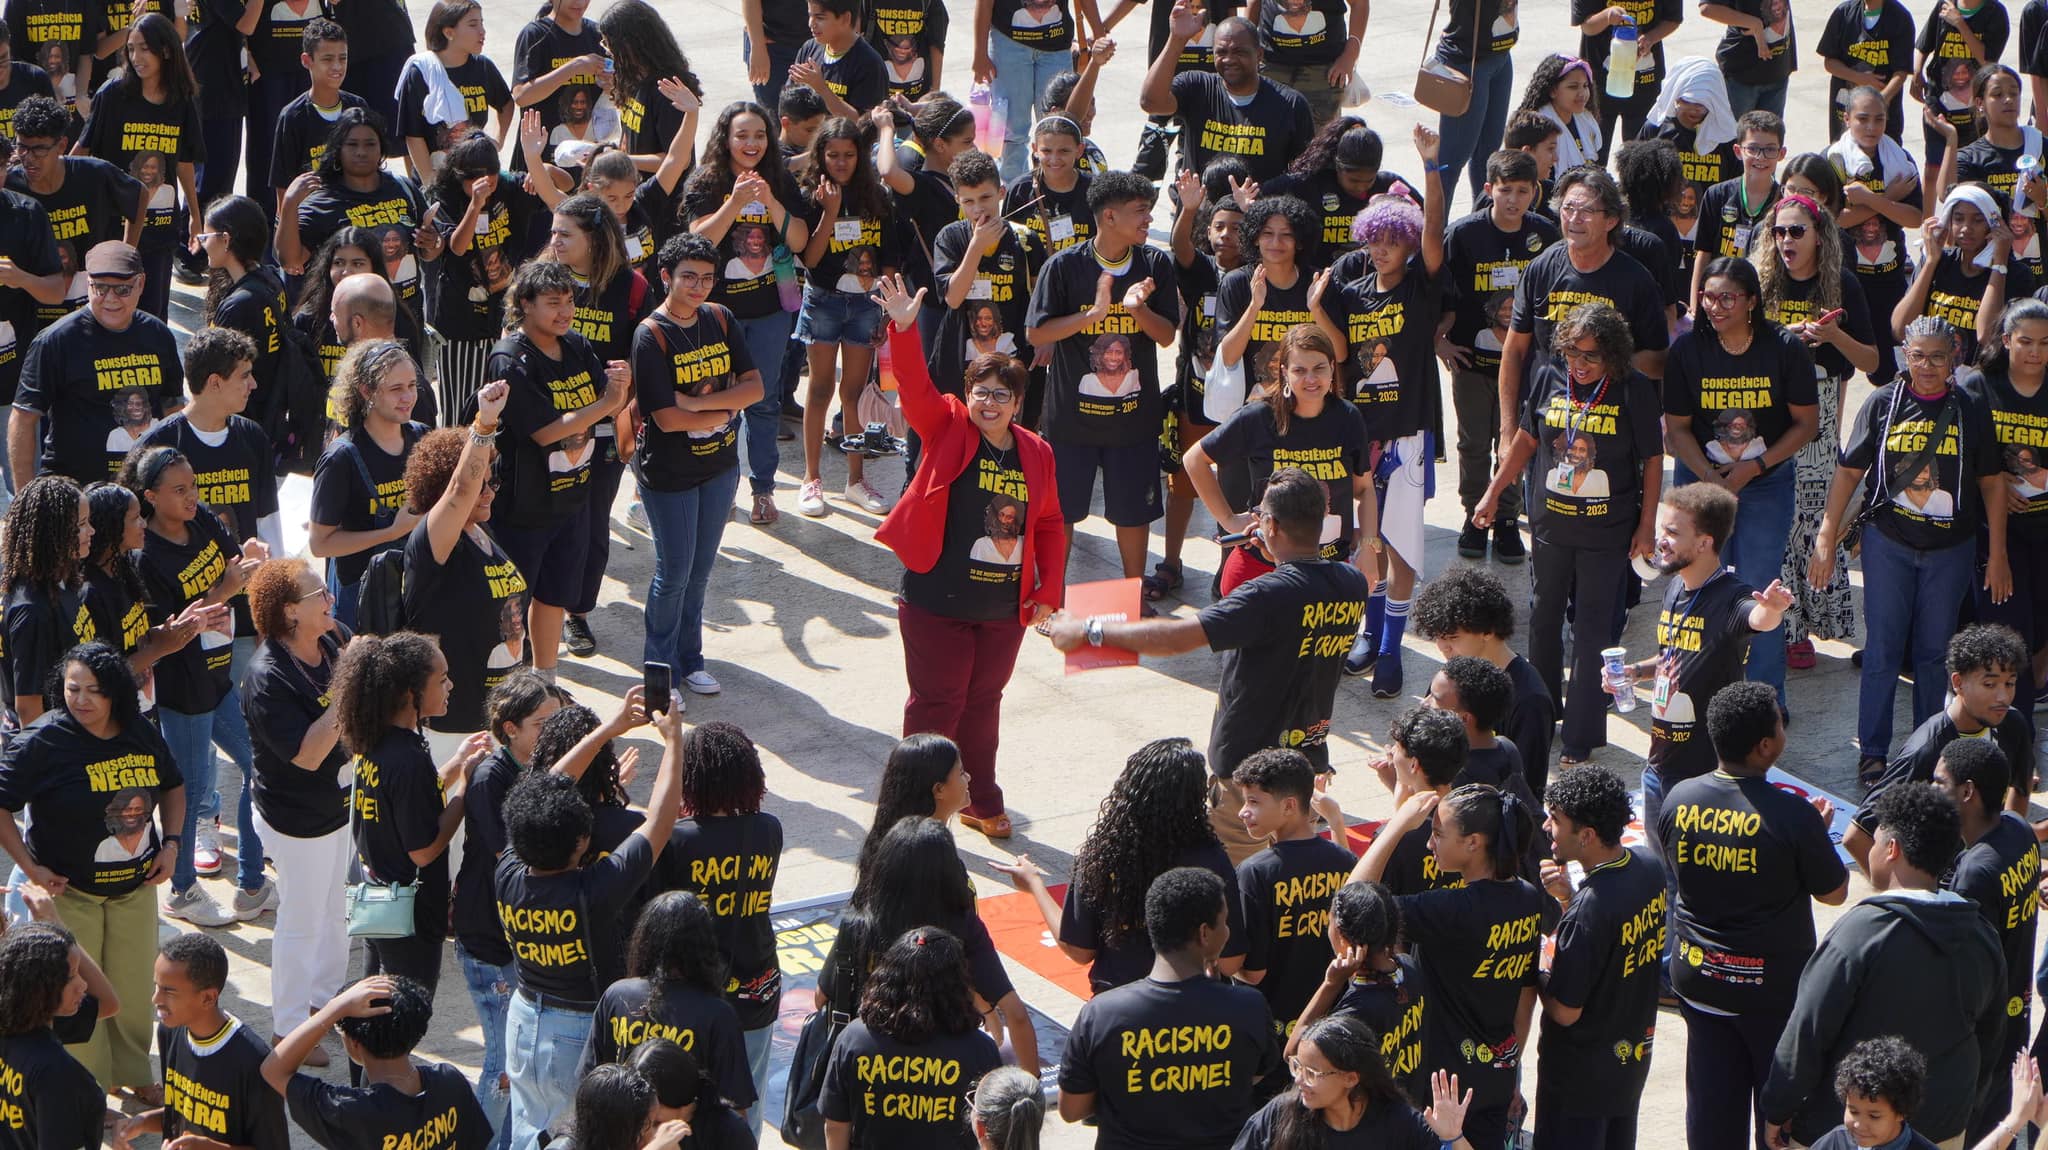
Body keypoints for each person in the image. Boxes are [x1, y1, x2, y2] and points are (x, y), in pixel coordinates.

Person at [1045, 468, 1373, 862]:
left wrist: (1089, 631)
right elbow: (1302, 595)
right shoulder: (1352, 583)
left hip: (1250, 776)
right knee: (1289, 874)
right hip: (1307, 764)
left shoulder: (1264, 597)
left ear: (1270, 524)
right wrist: (1276, 553)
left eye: (1260, 515)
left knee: (1235, 880)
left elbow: (1178, 637)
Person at [1810, 315, 2009, 781]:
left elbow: (1991, 482)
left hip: (1950, 548)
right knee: (1882, 649)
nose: (1927, 366)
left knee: (1933, 654)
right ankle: (1873, 751)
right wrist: (1826, 533)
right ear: (1905, 356)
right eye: (1918, 356)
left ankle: (1927, 749)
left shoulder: (1970, 407)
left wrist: (1997, 553)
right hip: (1889, 544)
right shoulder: (1883, 402)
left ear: (1954, 357)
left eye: (1937, 357)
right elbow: (1849, 471)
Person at [1659, 680, 1850, 1150]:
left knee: (1710, 1113)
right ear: (1765, 746)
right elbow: (1834, 893)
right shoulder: (1794, 815)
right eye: (1780, 724)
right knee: (1776, 1119)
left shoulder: (1678, 798)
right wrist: (1814, 835)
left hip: (1699, 981)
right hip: (1769, 993)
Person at [1761, 783, 2005, 1148]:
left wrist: (1778, 1106)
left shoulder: (1858, 935)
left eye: (1875, 841)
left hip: (1852, 1134)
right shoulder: (1982, 935)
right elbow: (1991, 1038)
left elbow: (1808, 1033)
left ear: (1892, 849)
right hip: (1945, 1127)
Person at [1473, 303, 1663, 767]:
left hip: (1607, 531)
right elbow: (1526, 440)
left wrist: (1646, 526)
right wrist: (1493, 492)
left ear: (1612, 353)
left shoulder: (1633, 388)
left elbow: (1653, 460)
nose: (1579, 364)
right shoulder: (1548, 377)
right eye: (1572, 353)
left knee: (1593, 629)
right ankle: (1537, 715)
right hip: (1550, 525)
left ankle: (1581, 734)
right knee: (1542, 619)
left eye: (1591, 356)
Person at [497, 689, 684, 1150]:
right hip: (577, 1032)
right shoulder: (592, 891)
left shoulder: (509, 870)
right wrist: (674, 741)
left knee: (528, 1133)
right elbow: (660, 822)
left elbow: (539, 792)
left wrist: (610, 728)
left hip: (523, 1019)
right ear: (581, 844)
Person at [0, 642, 177, 1091]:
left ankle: (134, 1075)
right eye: (72, 688)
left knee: (134, 991)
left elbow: (174, 784)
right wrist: (30, 867)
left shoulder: (139, 731)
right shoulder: (42, 740)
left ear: (115, 691)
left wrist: (173, 844)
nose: (80, 699)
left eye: (93, 690)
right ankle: (87, 1087)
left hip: (135, 889)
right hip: (69, 895)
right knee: (74, 994)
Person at [122, 444, 272, 927]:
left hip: (219, 676)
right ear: (150, 497)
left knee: (261, 766)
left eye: (194, 487)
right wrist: (223, 590)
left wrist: (250, 562)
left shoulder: (201, 518)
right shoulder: (146, 556)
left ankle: (252, 884)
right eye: (179, 490)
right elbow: (170, 632)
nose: (192, 497)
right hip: (183, 690)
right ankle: (182, 889)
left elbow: (235, 562)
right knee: (186, 793)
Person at [1350, 784, 1546, 1150]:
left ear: (1473, 843)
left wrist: (1397, 826)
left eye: (1438, 834)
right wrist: (1510, 1065)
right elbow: (1526, 993)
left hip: (1445, 1091)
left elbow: (1351, 902)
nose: (1429, 844)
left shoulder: (1452, 910)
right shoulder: (1527, 896)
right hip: (1497, 1074)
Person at [1325, 130, 1449, 698]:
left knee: (1401, 545)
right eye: (1375, 240)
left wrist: (1431, 166)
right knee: (1367, 543)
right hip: (1362, 435)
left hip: (1408, 435)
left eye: (1393, 242)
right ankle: (1371, 635)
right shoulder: (1352, 292)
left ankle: (1393, 649)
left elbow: (1434, 233)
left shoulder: (1420, 288)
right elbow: (1340, 355)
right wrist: (1316, 309)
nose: (1381, 250)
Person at [1663, 257, 1815, 700]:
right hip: (1700, 481)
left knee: (1760, 587)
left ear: (1751, 301)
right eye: (1708, 297)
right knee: (1699, 582)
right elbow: (1677, 429)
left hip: (1766, 480)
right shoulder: (1687, 350)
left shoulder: (1784, 347)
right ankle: (1701, 691)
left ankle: (1764, 699)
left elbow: (1806, 424)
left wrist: (1755, 467)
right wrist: (1710, 478)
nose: (1715, 306)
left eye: (1727, 298)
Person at [1024, 169, 1179, 583]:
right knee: (1061, 513)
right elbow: (1037, 333)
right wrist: (1092, 315)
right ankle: (1052, 595)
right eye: (1140, 211)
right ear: (1109, 216)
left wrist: (1137, 310)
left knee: (1133, 514)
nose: (1149, 219)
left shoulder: (1155, 264)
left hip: (1134, 424)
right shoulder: (1063, 267)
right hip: (1069, 424)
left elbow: (1166, 336)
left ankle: (1133, 593)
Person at [996, 736, 1249, 990]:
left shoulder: (1104, 854)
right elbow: (1230, 962)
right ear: (1195, 797)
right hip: (1194, 1003)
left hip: (1117, 997)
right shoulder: (1211, 858)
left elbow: (1079, 950)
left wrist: (1035, 884)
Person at [1057, 867, 1282, 1146]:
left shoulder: (1100, 1014)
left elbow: (1071, 1110)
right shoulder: (1249, 1007)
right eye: (1224, 922)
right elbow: (1253, 1075)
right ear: (1204, 933)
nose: (1228, 931)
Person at [483, 258, 629, 684]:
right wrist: (608, 402)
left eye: (569, 301)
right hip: (523, 506)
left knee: (553, 596)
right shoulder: (510, 359)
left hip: (572, 497)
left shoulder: (577, 346)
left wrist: (619, 390)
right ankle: (510, 688)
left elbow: (604, 405)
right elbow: (545, 431)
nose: (565, 312)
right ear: (525, 305)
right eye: (553, 303)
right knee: (512, 605)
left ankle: (545, 681)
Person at [628, 233, 759, 700]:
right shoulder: (650, 335)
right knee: (673, 575)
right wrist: (726, 409)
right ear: (666, 277)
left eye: (707, 278)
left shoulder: (720, 317)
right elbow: (667, 418)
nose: (699, 286)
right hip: (670, 475)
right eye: (688, 277)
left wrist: (705, 407)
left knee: (700, 573)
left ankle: (691, 660)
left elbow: (756, 388)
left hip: (720, 466)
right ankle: (661, 672)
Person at [1755, 191, 1877, 669]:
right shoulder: (1760, 279)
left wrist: (1832, 335)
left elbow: (1872, 361)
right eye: (1779, 231)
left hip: (1821, 416)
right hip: (1767, 407)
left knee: (1812, 522)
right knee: (1775, 523)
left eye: (1796, 231)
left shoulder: (1842, 283)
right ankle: (1783, 629)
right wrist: (1782, 340)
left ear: (1819, 236)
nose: (1786, 240)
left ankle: (1810, 624)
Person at [331, 631, 491, 992]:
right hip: (409, 919)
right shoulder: (408, 760)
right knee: (405, 1010)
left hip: (378, 904)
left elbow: (410, 801)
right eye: (442, 679)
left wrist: (457, 762)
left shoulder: (376, 740)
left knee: (376, 1002)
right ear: (409, 693)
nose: (451, 685)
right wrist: (465, 789)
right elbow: (423, 850)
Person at [239, 559, 348, 1061]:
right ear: (289, 612)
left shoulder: (332, 641)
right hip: (297, 818)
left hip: (337, 804)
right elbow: (307, 755)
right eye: (318, 594)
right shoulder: (266, 677)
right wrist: (349, 689)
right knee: (303, 921)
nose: (330, 600)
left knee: (333, 913)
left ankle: (323, 1007)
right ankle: (288, 1031)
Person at [823, 817, 1039, 1072]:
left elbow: (822, 996)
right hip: (947, 1069)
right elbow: (1016, 1014)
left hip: (871, 1063)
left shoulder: (860, 923)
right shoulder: (964, 925)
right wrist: (1031, 1081)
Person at [679, 102, 807, 522]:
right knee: (718, 401)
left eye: (759, 135)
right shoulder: (707, 181)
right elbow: (699, 240)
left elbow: (800, 240)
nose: (752, 143)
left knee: (764, 402)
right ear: (726, 139)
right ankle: (721, 487)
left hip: (771, 312)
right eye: (742, 135)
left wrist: (770, 201)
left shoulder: (779, 179)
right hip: (717, 314)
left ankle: (763, 490)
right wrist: (734, 203)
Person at [657, 720, 781, 1137]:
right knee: (747, 1102)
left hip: (698, 995)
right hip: (757, 986)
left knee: (687, 1109)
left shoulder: (678, 840)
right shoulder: (769, 829)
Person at [1532, 765, 1666, 1149]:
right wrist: (1568, 899)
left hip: (1578, 1085)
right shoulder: (1648, 867)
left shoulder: (1589, 911)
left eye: (1556, 820)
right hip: (1628, 1068)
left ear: (1587, 835)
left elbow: (1565, 1011)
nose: (1547, 828)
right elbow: (1613, 939)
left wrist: (1534, 966)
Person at [399, 382, 530, 757]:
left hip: (498, 718)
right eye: (480, 486)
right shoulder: (433, 541)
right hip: (454, 729)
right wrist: (484, 425)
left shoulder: (481, 533)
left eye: (492, 482)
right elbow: (461, 489)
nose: (489, 492)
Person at [1494, 169, 1670, 447]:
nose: (1574, 219)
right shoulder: (1541, 269)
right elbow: (1514, 350)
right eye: (1568, 208)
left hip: (1611, 428)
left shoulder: (1636, 281)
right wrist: (1507, 432)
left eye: (1587, 210)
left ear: (1611, 220)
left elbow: (1659, 361)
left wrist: (1603, 363)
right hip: (1545, 423)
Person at [1442, 150, 1557, 565]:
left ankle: (1507, 517)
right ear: (1489, 189)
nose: (1513, 200)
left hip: (1525, 367)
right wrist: (1440, 340)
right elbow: (1440, 290)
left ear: (1535, 192)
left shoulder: (1545, 234)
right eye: (1505, 190)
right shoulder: (1463, 234)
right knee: (1473, 443)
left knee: (1514, 443)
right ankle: (1475, 515)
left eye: (1523, 191)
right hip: (1472, 363)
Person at [1849, 623, 2034, 862]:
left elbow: (2021, 785)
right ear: (1958, 683)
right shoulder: (1926, 749)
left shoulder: (2013, 723)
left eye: (2010, 683)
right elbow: (1857, 836)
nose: (2003, 697)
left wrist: (2008, 852)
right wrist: (1899, 884)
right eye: (1989, 684)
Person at [1933, 738, 2039, 1141]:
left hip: (1984, 1035)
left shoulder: (1975, 873)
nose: (1931, 789)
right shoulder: (2018, 828)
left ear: (1967, 792)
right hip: (2016, 1016)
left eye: (1939, 782)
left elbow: (1966, 967)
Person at [11, 239, 180, 488]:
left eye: (122, 289)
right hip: (75, 491)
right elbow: (23, 418)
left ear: (141, 283)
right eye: (100, 288)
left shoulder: (158, 335)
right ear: (87, 283)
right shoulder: (56, 341)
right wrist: (25, 498)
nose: (110, 298)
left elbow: (173, 407)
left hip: (143, 488)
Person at [819, 925, 1003, 1150]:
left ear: (888, 976)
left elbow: (835, 1125)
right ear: (958, 982)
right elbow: (993, 1133)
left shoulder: (854, 1039)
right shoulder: (980, 1050)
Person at [794, 116, 896, 515]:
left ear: (860, 156)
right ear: (820, 155)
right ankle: (811, 479)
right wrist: (830, 212)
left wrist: (887, 311)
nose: (840, 162)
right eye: (832, 154)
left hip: (866, 304)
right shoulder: (811, 195)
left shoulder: (877, 197)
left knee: (853, 394)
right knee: (820, 389)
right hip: (824, 301)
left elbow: (890, 258)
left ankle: (856, 481)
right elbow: (810, 258)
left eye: (849, 155)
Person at [262, 975, 494, 1150]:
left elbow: (273, 1069)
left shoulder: (350, 1111)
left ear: (354, 1043)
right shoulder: (450, 1081)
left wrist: (333, 1009)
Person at [72, 14, 196, 319]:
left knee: (153, 317)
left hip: (161, 230)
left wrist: (195, 214)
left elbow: (184, 161)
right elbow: (81, 151)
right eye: (130, 49)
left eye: (144, 48)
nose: (136, 57)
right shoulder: (112, 95)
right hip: (114, 229)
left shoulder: (181, 100)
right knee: (112, 316)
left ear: (165, 50)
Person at [581, 891, 753, 1110]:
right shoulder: (718, 1015)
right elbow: (735, 1107)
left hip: (621, 1127)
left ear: (644, 940)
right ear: (705, 945)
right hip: (688, 1131)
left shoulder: (616, 995)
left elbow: (589, 1083)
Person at [114, 933, 288, 1150]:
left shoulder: (254, 1061)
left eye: (169, 991)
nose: (155, 999)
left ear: (208, 998)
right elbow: (181, 1113)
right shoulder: (170, 1031)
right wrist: (142, 1121)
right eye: (156, 986)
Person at [1232, 747, 1353, 1041]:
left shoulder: (1255, 873)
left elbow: (1253, 972)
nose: (1242, 811)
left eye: (1253, 801)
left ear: (1289, 806)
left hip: (1271, 1029)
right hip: (1331, 1024)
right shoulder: (1345, 861)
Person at [1963, 299, 2048, 719]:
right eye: (2026, 341)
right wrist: (1994, 484)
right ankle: (2015, 730)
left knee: (2038, 629)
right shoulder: (1980, 386)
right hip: (1996, 532)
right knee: (2007, 633)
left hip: (2044, 530)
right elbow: (1959, 458)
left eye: (2045, 343)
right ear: (2007, 340)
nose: (2035, 352)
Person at [308, 338, 427, 629]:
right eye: (396, 389)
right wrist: (391, 532)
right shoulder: (341, 458)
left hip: (414, 588)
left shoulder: (422, 438)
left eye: (412, 386)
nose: (408, 397)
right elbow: (319, 544)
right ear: (366, 391)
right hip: (359, 599)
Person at [140, 327, 281, 569]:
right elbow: (139, 529)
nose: (253, 384)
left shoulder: (253, 437)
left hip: (248, 580)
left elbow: (268, 521)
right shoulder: (157, 445)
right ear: (215, 382)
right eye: (245, 376)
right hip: (184, 586)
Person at [1412, 565, 1556, 794]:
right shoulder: (1450, 678)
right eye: (1438, 637)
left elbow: (1526, 789)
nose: (1442, 646)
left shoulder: (1530, 700)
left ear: (1488, 631)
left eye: (1453, 637)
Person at [1233, 1015, 1477, 1150]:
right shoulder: (1279, 1116)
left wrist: (1453, 1138)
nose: (1298, 1080)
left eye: (1312, 1073)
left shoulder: (1396, 1121)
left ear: (1351, 1078)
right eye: (1297, 1067)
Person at [280, 109, 440, 314]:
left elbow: (433, 250)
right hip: (347, 323)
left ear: (381, 147)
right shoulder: (321, 202)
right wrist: (289, 203)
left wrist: (432, 243)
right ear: (338, 149)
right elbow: (291, 261)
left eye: (370, 144)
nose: (361, 152)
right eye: (352, 145)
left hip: (405, 319)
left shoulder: (404, 188)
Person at [1283, 881, 1429, 1101]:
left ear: (1342, 938)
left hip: (1373, 1117)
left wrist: (1331, 984)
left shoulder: (1356, 1010)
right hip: (1408, 1111)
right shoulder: (1409, 968)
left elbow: (1294, 1053)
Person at [1138, 10, 1312, 184]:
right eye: (1221, 52)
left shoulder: (1290, 104)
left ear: (1259, 54)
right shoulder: (1196, 87)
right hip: (1199, 202)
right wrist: (1176, 40)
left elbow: (1305, 175)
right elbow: (1150, 102)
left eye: (1239, 52)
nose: (1229, 59)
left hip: (1260, 202)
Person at [0, 920, 117, 1150]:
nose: (83, 985)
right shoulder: (58, 1074)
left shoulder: (18, 1018)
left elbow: (107, 1003)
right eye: (71, 976)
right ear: (40, 987)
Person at [1893, 184, 2026, 367]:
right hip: (1931, 373)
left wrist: (1999, 266)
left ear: (1995, 224)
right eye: (1958, 219)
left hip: (1981, 377)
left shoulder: (2017, 274)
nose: (1966, 228)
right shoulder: (1938, 262)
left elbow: (1986, 336)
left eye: (1978, 220)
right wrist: (1930, 262)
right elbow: (1901, 329)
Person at [0, 474, 95, 724]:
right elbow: (28, 709)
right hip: (54, 740)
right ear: (52, 533)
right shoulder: (32, 611)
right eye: (81, 524)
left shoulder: (61, 580)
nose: (91, 531)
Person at [394, 0, 512, 182]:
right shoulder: (421, 72)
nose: (482, 31)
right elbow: (413, 136)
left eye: (482, 23)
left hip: (476, 177)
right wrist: (431, 184)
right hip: (434, 177)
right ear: (449, 32)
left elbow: (506, 104)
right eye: (473, 25)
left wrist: (497, 142)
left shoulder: (483, 67)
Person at [1427, 0, 1520, 197]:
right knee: (1452, 160)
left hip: (1501, 56)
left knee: (1488, 156)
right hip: (1467, 62)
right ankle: (1436, 217)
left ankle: (1482, 214)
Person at [1515, 54, 1604, 172]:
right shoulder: (1538, 128)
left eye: (1585, 86)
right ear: (1552, 91)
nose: (1582, 93)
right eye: (1573, 87)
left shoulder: (1586, 119)